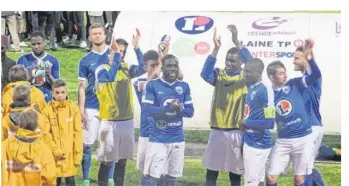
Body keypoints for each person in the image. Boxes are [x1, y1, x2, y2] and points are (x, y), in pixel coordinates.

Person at [200, 25, 252, 186]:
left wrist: (236, 41)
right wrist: (216, 49)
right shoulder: (219, 74)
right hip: (217, 130)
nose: (228, 63)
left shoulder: (246, 77)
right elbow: (204, 74)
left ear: (241, 62)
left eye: (232, 60)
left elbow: (253, 63)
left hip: (236, 131)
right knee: (211, 171)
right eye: (227, 60)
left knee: (235, 173)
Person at [265, 39, 321, 186]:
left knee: (299, 178)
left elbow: (315, 76)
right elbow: (269, 120)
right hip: (283, 140)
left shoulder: (295, 83)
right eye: (281, 74)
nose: (285, 76)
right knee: (270, 177)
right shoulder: (269, 95)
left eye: (285, 73)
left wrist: (310, 60)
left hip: (303, 138)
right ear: (272, 77)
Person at [95, 29, 146, 186]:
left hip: (127, 121)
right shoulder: (101, 69)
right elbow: (110, 77)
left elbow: (143, 68)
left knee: (122, 161)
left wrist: (137, 48)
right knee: (106, 161)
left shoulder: (126, 68)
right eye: (118, 51)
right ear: (111, 51)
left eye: (123, 52)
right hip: (109, 121)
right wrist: (115, 57)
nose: (121, 54)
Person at [141, 54, 194, 186]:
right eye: (169, 66)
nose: (172, 69)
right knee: (152, 177)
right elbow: (147, 110)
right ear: (162, 68)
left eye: (175, 66)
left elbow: (190, 111)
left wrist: (178, 110)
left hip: (177, 139)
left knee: (172, 177)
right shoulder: (152, 85)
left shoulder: (184, 86)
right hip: (158, 139)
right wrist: (169, 109)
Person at [78, 23, 115, 186]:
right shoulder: (85, 60)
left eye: (100, 33)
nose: (97, 36)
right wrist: (80, 109)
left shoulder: (114, 55)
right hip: (91, 107)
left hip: (111, 109)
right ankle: (86, 179)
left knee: (109, 146)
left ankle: (109, 179)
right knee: (87, 145)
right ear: (89, 37)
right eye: (94, 34)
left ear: (105, 35)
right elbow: (81, 87)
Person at [293, 40, 325, 186]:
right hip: (313, 127)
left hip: (311, 128)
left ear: (306, 61)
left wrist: (310, 54)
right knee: (308, 166)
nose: (293, 61)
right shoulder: (303, 78)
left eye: (296, 58)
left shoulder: (312, 76)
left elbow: (314, 69)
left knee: (303, 169)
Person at [239, 58, 275, 186]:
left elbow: (270, 123)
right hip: (250, 140)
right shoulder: (251, 86)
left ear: (259, 73)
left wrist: (246, 123)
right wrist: (236, 42)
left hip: (258, 144)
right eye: (244, 71)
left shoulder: (265, 90)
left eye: (248, 71)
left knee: (250, 182)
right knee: (258, 180)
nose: (245, 74)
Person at [43, 79, 83, 186]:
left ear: (66, 92)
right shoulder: (47, 110)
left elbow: (78, 134)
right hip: (54, 158)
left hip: (70, 157)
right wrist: (56, 151)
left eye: (62, 92)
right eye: (57, 93)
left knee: (71, 181)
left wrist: (78, 157)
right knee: (55, 182)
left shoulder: (73, 109)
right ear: (52, 93)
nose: (60, 95)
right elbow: (46, 135)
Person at [1, 109, 56, 186]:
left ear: (19, 124)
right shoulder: (44, 150)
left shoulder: (5, 145)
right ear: (37, 126)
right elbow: (49, 177)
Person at [17, 31, 60, 102]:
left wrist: (49, 76)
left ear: (45, 43)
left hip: (47, 100)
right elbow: (18, 86)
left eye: (39, 43)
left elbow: (57, 86)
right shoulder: (22, 60)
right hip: (28, 101)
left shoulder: (53, 60)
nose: (36, 47)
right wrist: (30, 78)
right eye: (33, 44)